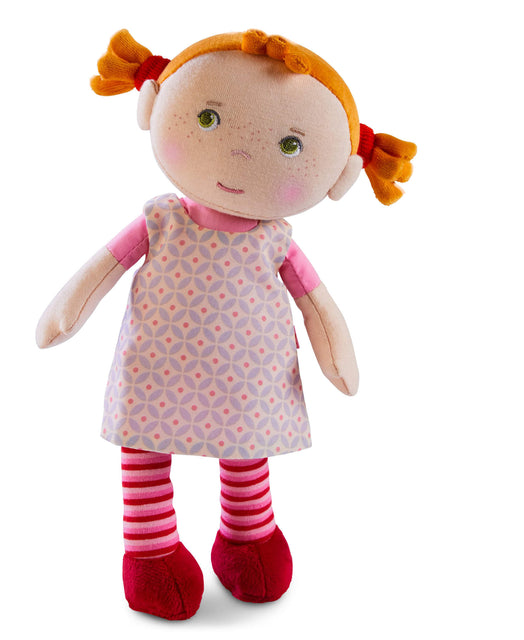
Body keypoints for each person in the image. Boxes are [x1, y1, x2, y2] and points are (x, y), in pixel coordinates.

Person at [36, 28, 416, 620]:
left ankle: (247, 537)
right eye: (207, 118)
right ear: (155, 106)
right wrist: (66, 312)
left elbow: (318, 304)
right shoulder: (160, 219)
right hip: (157, 365)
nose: (239, 154)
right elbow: (104, 267)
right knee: (145, 452)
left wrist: (336, 355)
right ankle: (151, 550)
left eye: (290, 145)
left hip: (247, 378)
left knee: (246, 453)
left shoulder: (276, 240)